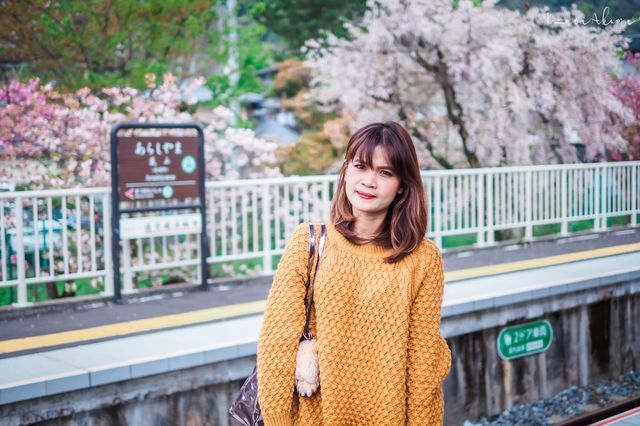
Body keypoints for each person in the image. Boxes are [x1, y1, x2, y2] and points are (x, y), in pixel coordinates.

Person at [256, 121, 451, 425]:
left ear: (402, 184)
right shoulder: (308, 243)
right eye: (360, 166)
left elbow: (423, 363)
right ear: (346, 170)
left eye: (385, 172)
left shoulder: (423, 259)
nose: (368, 181)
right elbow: (276, 346)